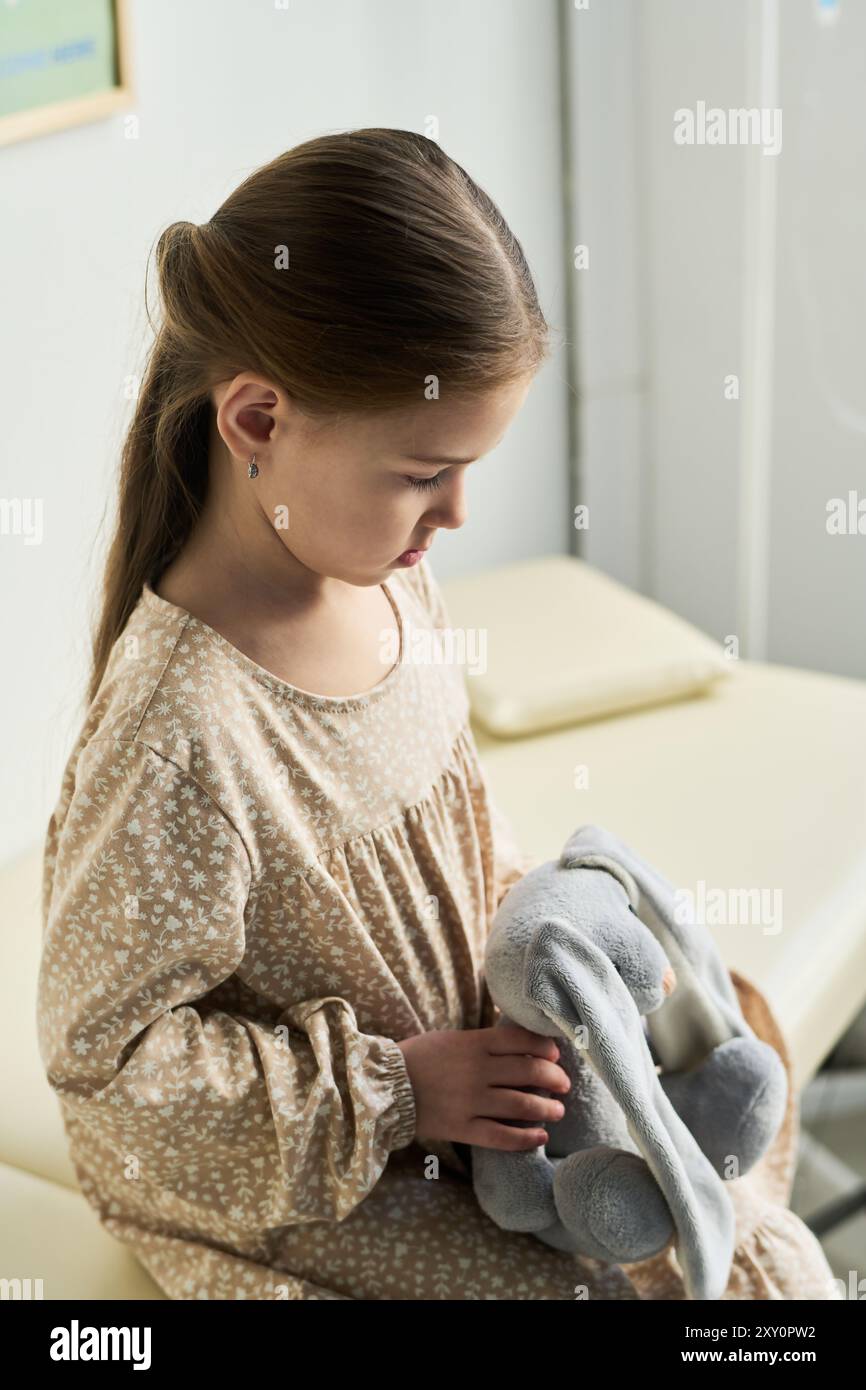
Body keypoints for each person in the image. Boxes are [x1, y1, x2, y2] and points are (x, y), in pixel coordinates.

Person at [37, 128, 840, 1301]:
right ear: (257, 422)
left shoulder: (379, 570)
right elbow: (107, 1077)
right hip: (337, 1177)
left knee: (713, 1202)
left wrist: (554, 945)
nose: (457, 513)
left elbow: (445, 829)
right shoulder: (181, 735)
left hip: (489, 1095)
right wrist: (397, 1088)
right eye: (423, 472)